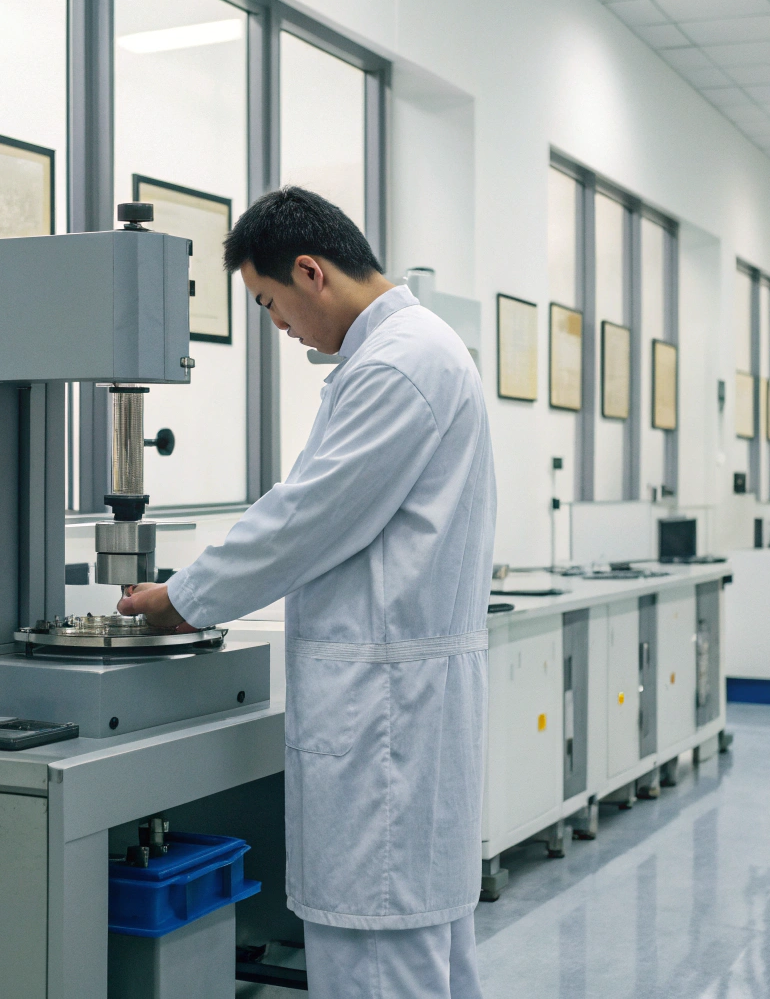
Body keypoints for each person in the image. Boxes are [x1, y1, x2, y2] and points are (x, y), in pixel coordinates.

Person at [119, 186, 496, 998]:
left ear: (309, 272)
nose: (279, 327)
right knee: (421, 949)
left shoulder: (399, 364)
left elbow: (310, 515)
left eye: (268, 303)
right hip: (398, 704)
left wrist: (183, 596)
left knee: (378, 957)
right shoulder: (403, 354)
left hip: (386, 714)